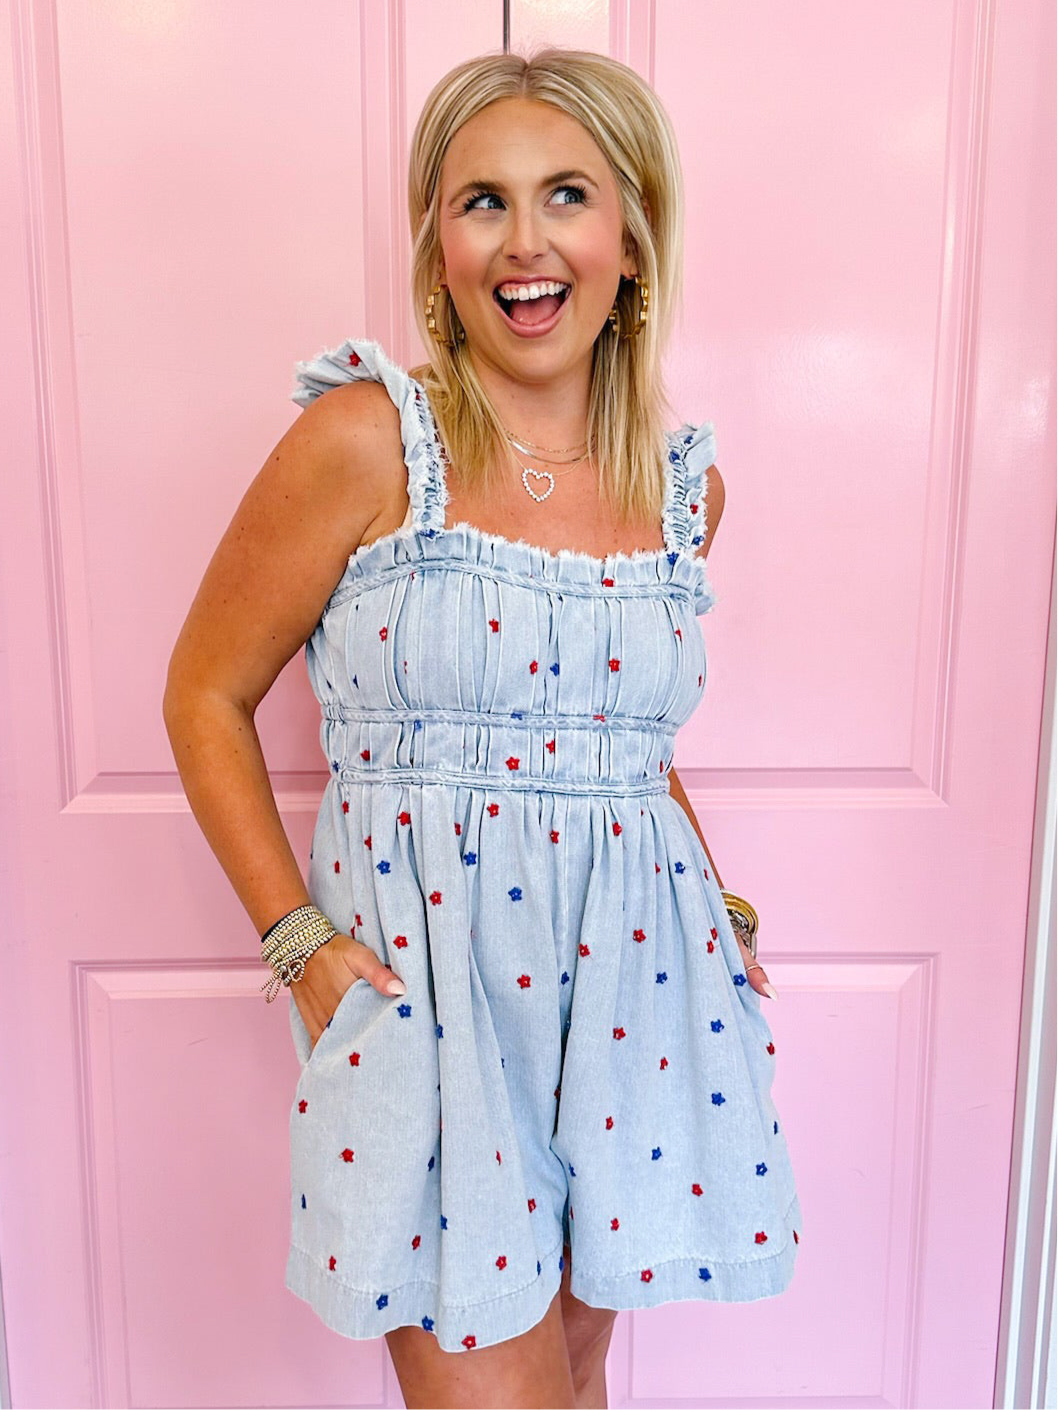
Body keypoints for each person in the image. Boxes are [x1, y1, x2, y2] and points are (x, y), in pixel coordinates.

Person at [163, 45, 802, 1410]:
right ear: (437, 245)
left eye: (566, 194)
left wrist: (723, 916)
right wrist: (298, 944)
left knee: (576, 1374)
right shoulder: (366, 441)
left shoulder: (680, 492)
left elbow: (625, 751)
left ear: (632, 238)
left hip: (636, 991)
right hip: (432, 998)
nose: (524, 243)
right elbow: (204, 692)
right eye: (481, 201)